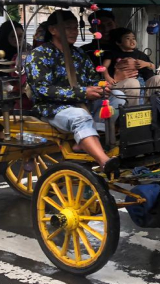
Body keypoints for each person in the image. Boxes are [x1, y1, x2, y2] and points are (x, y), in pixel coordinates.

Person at [25, 10, 119, 175]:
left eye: (75, 28)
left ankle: (87, 139)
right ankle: (105, 161)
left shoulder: (79, 54)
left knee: (118, 97)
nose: (74, 32)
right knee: (79, 116)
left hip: (84, 103)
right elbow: (42, 89)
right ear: (53, 30)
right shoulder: (38, 55)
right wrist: (83, 92)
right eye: (68, 28)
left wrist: (100, 88)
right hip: (52, 108)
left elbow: (92, 79)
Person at [103, 27, 160, 107]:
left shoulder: (140, 54)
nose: (132, 41)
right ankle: (134, 111)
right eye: (128, 38)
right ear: (118, 42)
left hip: (143, 82)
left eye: (133, 38)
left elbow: (153, 66)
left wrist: (145, 64)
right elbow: (104, 67)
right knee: (133, 83)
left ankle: (158, 109)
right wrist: (108, 78)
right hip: (123, 83)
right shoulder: (112, 53)